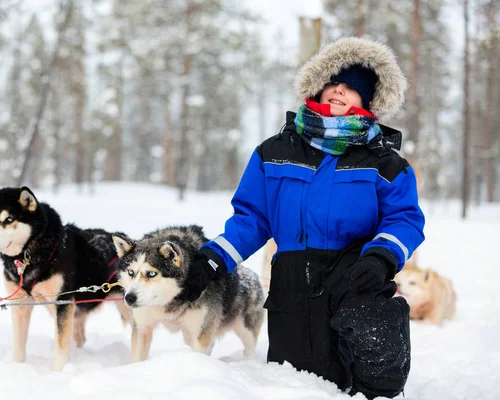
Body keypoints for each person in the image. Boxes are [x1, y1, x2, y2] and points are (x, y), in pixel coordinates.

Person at [182, 37, 425, 400]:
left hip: (356, 274)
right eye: (334, 82)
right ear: (318, 86)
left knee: (370, 354)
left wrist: (381, 258)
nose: (340, 90)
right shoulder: (274, 151)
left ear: (369, 101)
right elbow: (252, 220)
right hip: (292, 282)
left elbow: (404, 220)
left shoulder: (387, 164)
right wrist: (211, 261)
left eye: (353, 87)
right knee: (295, 384)